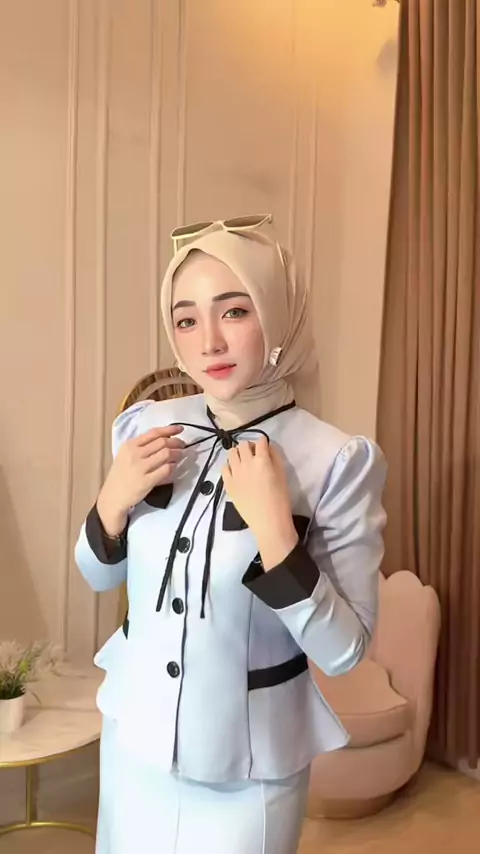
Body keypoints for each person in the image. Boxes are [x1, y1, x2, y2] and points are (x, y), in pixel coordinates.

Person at [75, 216, 387, 854]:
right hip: (134, 745)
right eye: (186, 319)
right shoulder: (147, 427)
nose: (210, 342)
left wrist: (277, 536)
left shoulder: (335, 461)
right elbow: (98, 575)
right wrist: (111, 502)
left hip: (249, 769)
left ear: (277, 314)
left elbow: (345, 652)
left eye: (235, 311)